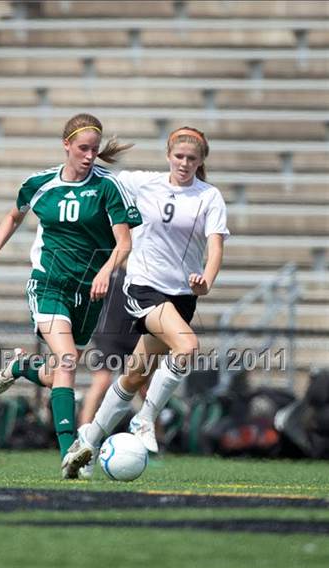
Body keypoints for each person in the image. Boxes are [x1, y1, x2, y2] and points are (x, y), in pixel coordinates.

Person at [0, 113, 142, 479]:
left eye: (95, 149)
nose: (89, 155)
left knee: (59, 372)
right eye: (82, 148)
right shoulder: (40, 183)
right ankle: (70, 453)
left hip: (89, 292)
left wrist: (105, 269)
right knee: (67, 360)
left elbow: (125, 242)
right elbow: (13, 217)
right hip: (48, 284)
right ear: (66, 145)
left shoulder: (108, 187)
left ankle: (20, 366)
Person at [72, 126, 230, 476]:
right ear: (168, 156)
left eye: (192, 158)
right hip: (143, 286)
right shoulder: (144, 183)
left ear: (201, 161)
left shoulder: (209, 197)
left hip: (182, 297)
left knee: (133, 376)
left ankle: (86, 441)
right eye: (179, 157)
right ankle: (145, 419)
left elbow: (216, 247)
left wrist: (207, 281)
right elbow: (99, 173)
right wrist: (92, 151)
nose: (184, 163)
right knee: (187, 346)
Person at [78, 266, 140, 426]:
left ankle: (159, 436)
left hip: (137, 336)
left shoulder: (142, 268)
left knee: (144, 387)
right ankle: (82, 431)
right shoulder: (109, 269)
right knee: (101, 383)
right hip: (109, 336)